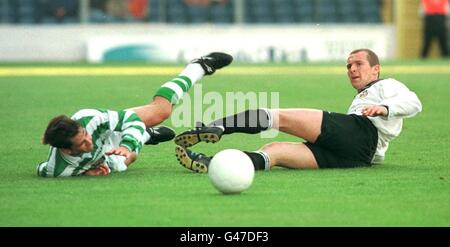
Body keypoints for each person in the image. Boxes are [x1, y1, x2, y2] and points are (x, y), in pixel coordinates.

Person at [174, 49, 422, 173]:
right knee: (275, 153)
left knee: (279, 117)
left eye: (359, 64)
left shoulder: (386, 85)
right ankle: (212, 164)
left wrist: (384, 108)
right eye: (348, 66)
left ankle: (217, 126)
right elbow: (379, 145)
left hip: (359, 133)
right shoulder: (362, 98)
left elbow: (414, 103)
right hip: (358, 159)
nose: (352, 69)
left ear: (376, 70)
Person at [37, 52, 233, 177]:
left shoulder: (89, 119)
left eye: (85, 135)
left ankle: (198, 67)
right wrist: (89, 172)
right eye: (82, 143)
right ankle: (148, 135)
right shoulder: (58, 170)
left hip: (110, 131)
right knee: (123, 162)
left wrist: (126, 145)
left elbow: (132, 121)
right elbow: (42, 169)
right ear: (68, 150)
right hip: (108, 155)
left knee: (161, 111)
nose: (88, 140)